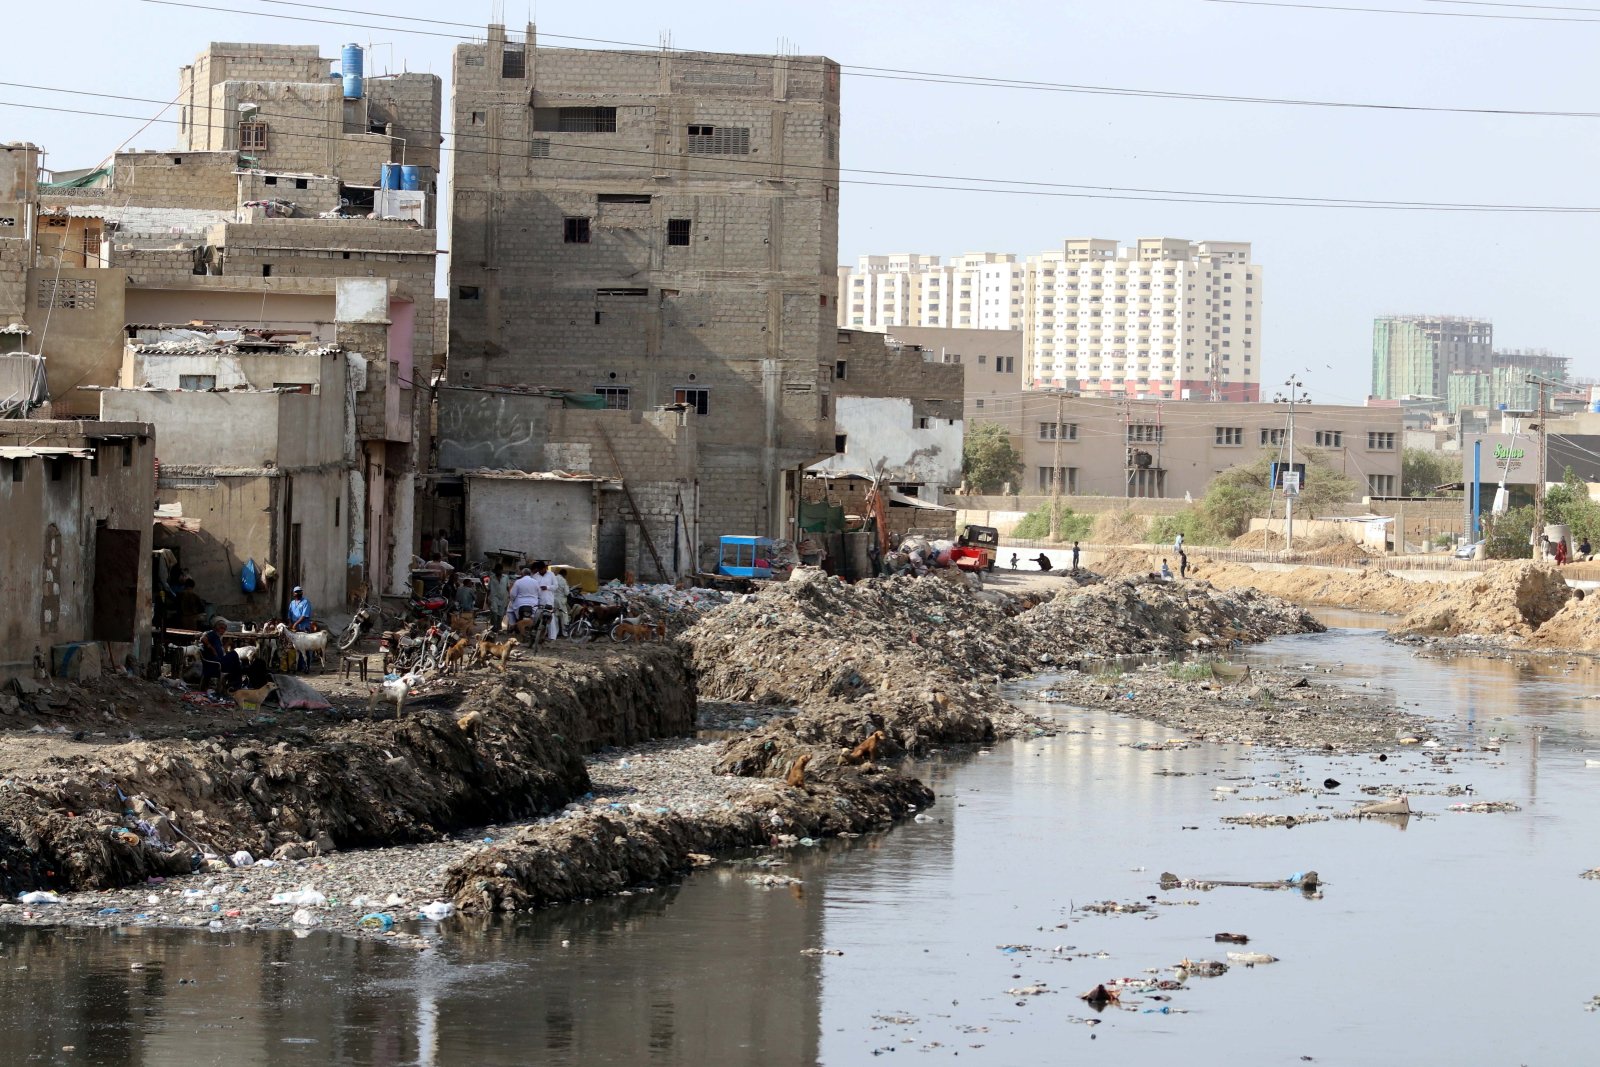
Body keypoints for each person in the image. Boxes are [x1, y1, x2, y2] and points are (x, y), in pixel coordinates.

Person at [200, 617, 242, 694]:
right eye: (221, 628)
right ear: (216, 628)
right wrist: (211, 648)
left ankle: (234, 685)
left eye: (224, 629)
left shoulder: (218, 638)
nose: (223, 631)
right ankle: (235, 685)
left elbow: (222, 652)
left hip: (220, 660)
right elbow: (203, 639)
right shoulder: (212, 634)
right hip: (215, 663)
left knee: (237, 664)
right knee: (234, 654)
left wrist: (228, 644)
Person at [532, 560, 560, 642]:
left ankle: (552, 636)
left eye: (542, 569)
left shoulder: (551, 575)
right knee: (537, 617)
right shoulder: (535, 576)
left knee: (550, 618)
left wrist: (547, 587)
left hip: (548, 600)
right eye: (539, 570)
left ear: (545, 568)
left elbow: (556, 586)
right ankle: (537, 635)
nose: (541, 571)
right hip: (538, 600)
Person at [505, 565, 540, 630]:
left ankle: (512, 625)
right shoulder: (536, 582)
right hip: (533, 605)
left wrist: (512, 600)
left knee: (509, 611)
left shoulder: (518, 582)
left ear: (522, 574)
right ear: (530, 574)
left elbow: (512, 594)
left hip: (519, 604)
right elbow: (539, 593)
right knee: (536, 615)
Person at [488, 562, 511, 632]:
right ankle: (494, 626)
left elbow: (508, 587)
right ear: (495, 571)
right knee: (494, 612)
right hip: (494, 597)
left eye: (499, 570)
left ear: (501, 570)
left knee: (500, 614)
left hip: (503, 597)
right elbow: (489, 589)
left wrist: (509, 596)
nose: (498, 571)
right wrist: (487, 598)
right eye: (497, 570)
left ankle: (498, 626)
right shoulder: (492, 578)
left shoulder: (506, 577)